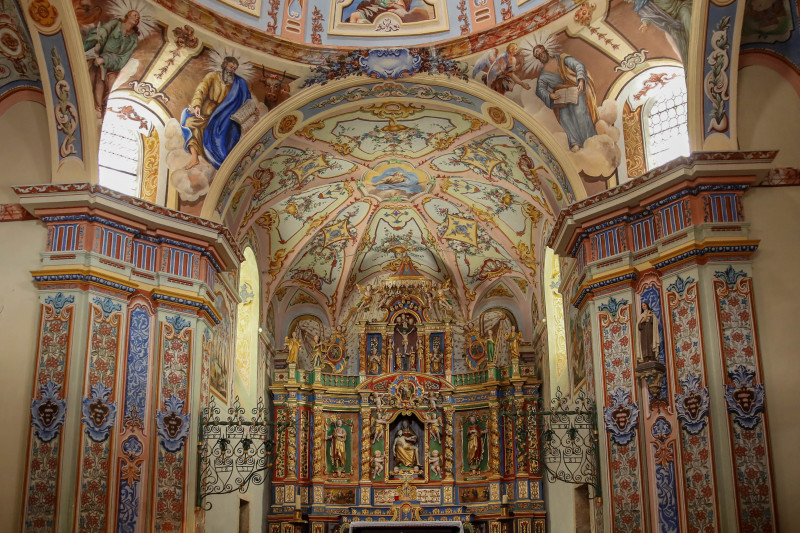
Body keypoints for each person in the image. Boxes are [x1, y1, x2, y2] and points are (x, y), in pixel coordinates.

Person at [181, 55, 252, 169]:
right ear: (224, 65)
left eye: (234, 68)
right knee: (189, 122)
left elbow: (246, 99)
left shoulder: (238, 83)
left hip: (224, 115)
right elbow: (201, 90)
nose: (232, 70)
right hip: (206, 112)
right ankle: (194, 158)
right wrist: (197, 105)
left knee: (228, 130)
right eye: (230, 67)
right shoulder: (212, 76)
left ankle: (221, 159)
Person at [531, 44, 598, 152]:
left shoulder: (562, 59)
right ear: (537, 58)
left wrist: (580, 79)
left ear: (545, 50)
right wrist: (549, 95)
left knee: (579, 112)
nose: (540, 55)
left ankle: (589, 139)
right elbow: (539, 89)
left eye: (540, 51)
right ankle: (575, 143)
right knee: (564, 117)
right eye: (537, 55)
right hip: (561, 95)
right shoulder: (543, 75)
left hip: (574, 88)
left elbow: (578, 66)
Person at [83, 10, 141, 116]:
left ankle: (107, 109)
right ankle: (97, 107)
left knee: (113, 85)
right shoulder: (115, 24)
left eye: (138, 17)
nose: (137, 18)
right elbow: (101, 34)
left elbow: (123, 59)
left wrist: (106, 59)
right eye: (135, 15)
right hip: (98, 59)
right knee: (99, 74)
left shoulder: (133, 39)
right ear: (127, 15)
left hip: (114, 67)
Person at [629, 0, 691, 65]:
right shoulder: (647, 3)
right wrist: (645, 23)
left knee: (685, 13)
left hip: (680, 7)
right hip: (669, 20)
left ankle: (693, 40)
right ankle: (687, 56)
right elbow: (648, 12)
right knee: (673, 37)